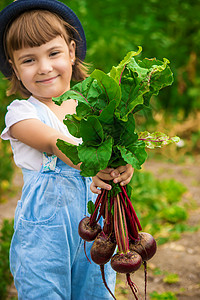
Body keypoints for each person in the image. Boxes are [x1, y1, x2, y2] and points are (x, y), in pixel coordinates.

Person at [0, 1, 134, 299]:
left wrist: (122, 165)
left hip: (97, 230)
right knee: (44, 291)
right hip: (44, 240)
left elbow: (118, 151)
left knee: (96, 291)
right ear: (14, 67)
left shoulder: (93, 109)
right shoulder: (22, 113)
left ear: (72, 52)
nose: (44, 67)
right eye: (29, 60)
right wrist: (92, 158)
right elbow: (53, 141)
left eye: (54, 53)